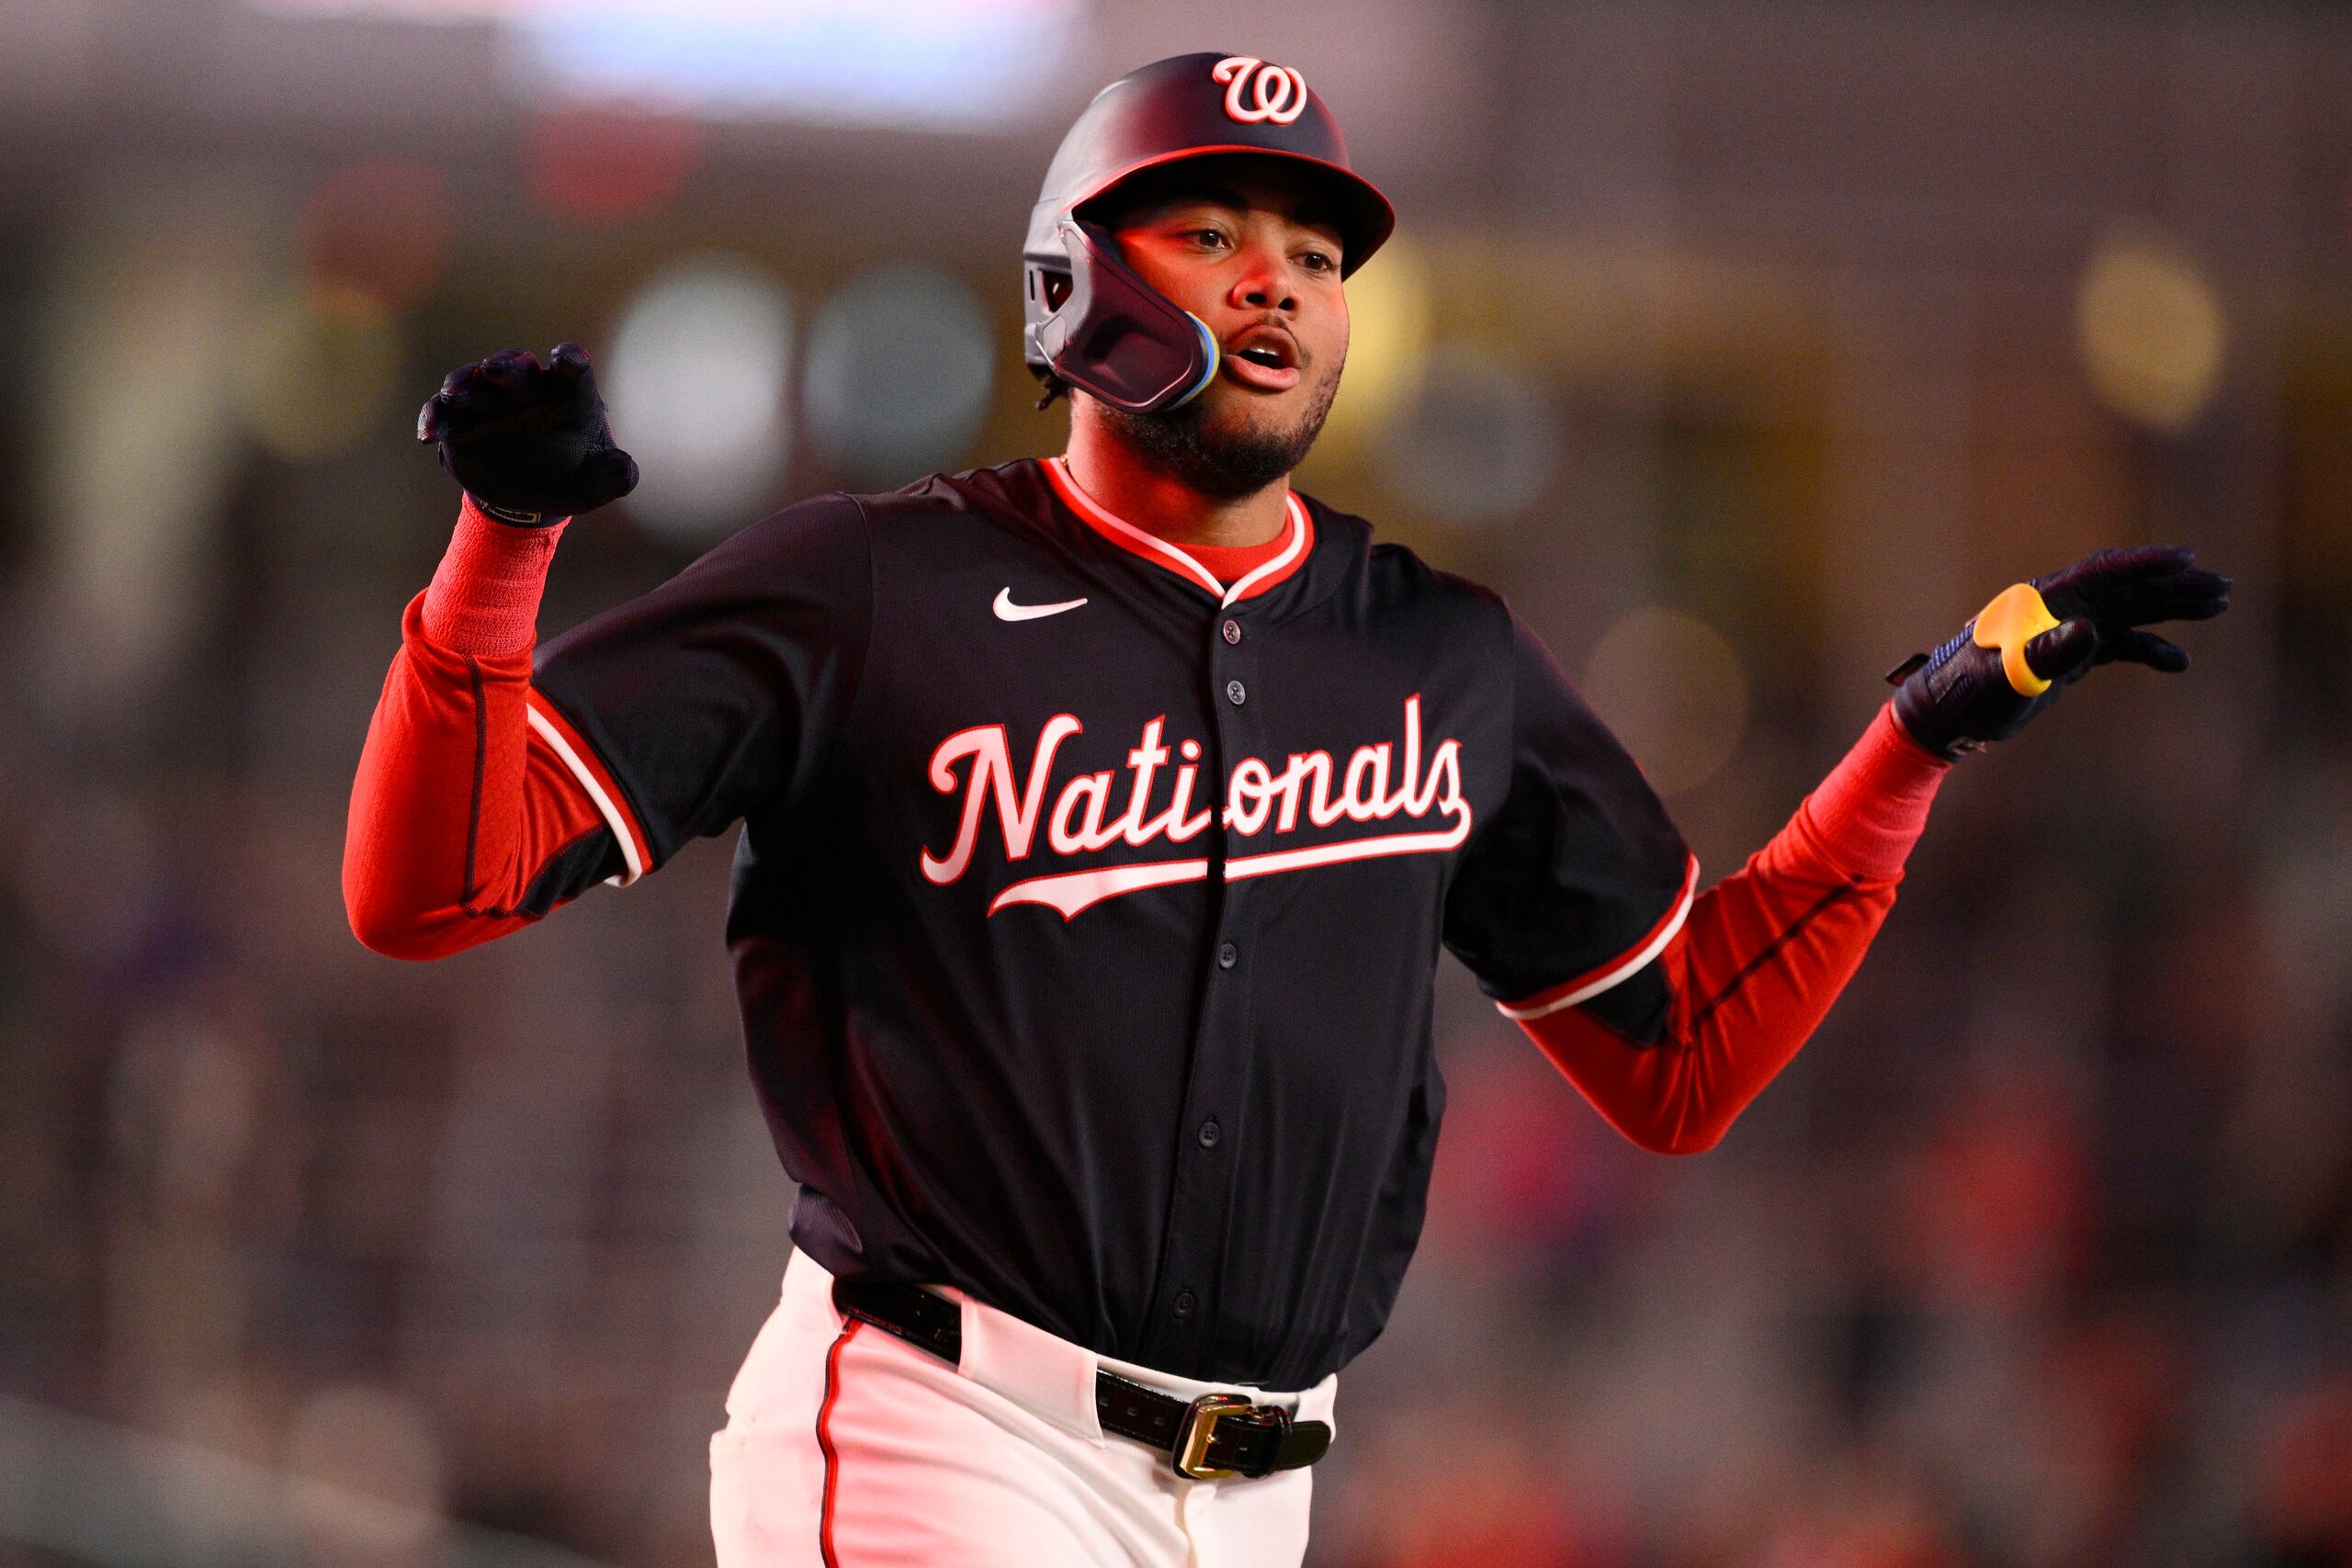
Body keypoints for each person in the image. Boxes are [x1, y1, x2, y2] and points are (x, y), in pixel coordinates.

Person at [345, 51, 2231, 1568]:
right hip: (943, 1426)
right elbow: (429, 887)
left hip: (1260, 1492)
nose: (1276, 276)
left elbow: (1681, 1056)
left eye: (1316, 254)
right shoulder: (868, 586)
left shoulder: (1438, 647)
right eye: (1209, 227)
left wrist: (1913, 741)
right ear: (1068, 278)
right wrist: (503, 549)